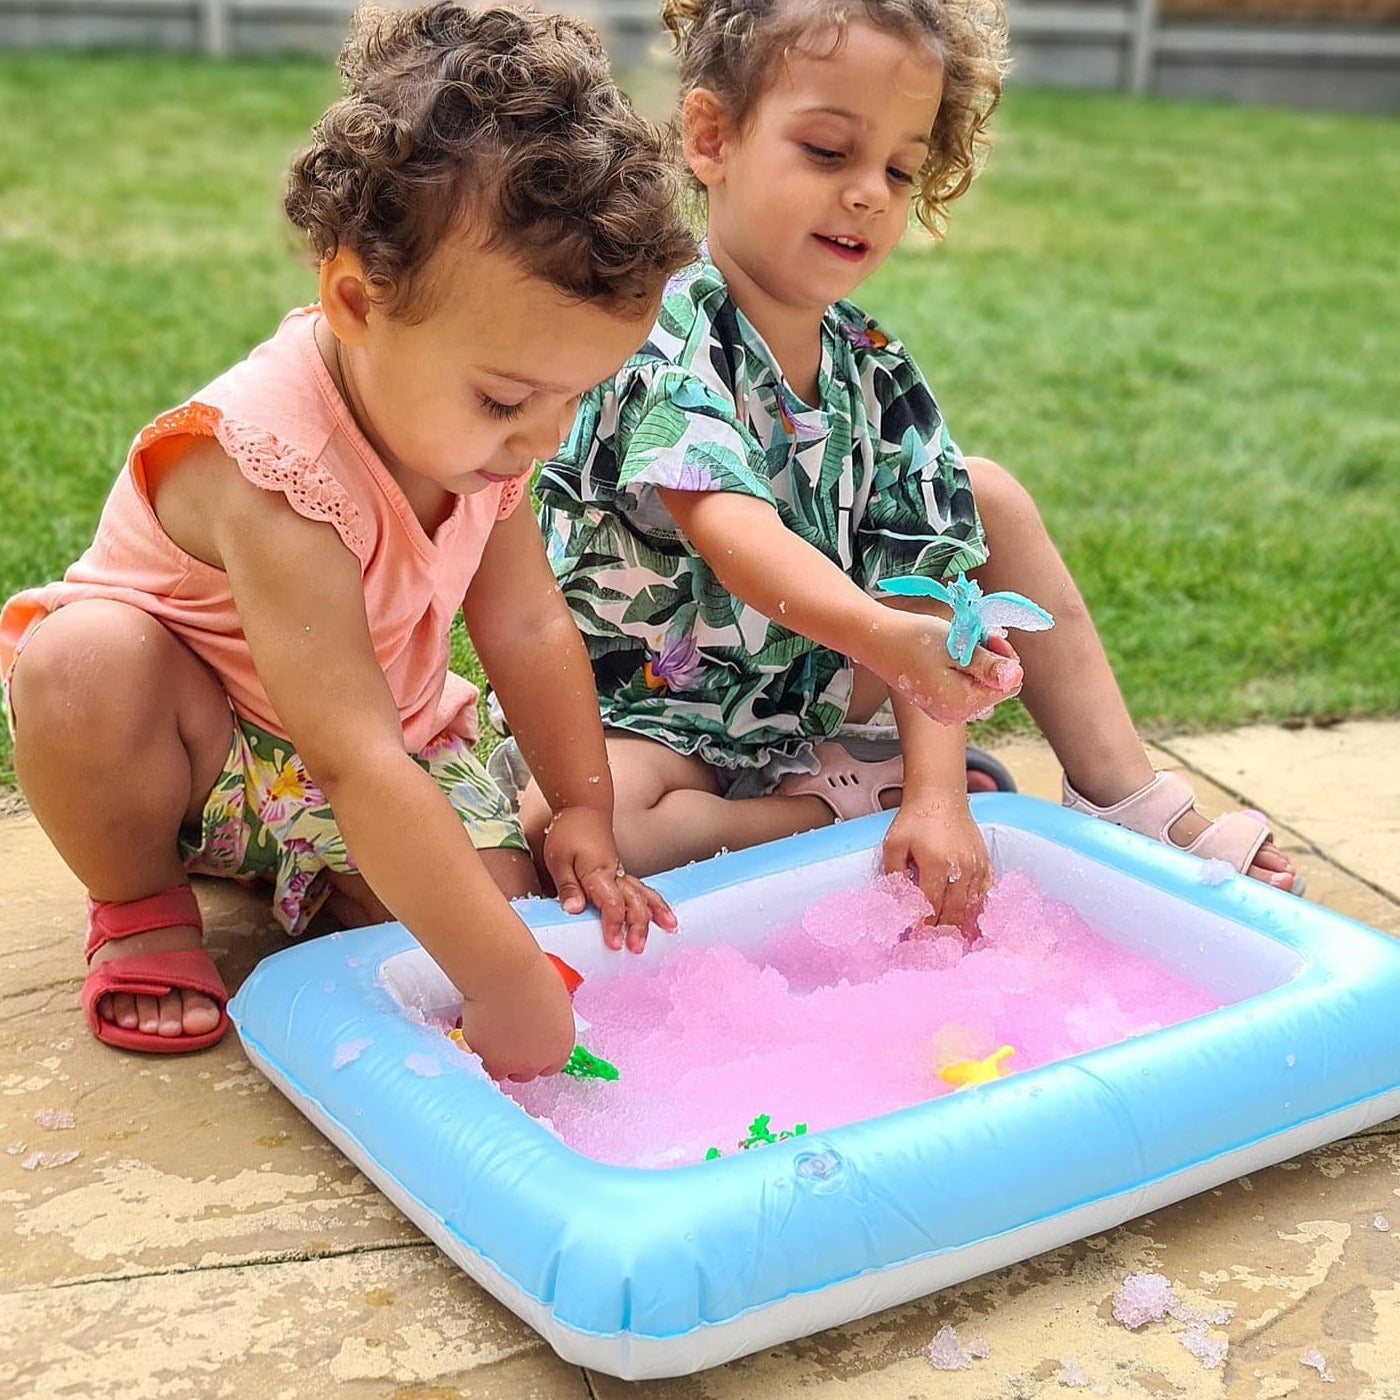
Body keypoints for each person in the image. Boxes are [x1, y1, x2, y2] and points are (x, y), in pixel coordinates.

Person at [0, 2, 699, 1080]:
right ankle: (141, 903)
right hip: (196, 747)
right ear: (356, 298)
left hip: (377, 755)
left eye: (575, 397)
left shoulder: (474, 437)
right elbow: (352, 754)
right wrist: (506, 979)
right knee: (81, 663)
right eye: (510, 396)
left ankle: (313, 879)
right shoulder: (271, 463)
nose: (544, 437)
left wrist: (583, 809)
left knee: (484, 907)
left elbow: (523, 623)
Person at [523, 0, 1299, 927]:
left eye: (899, 169)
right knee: (582, 824)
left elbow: (923, 569)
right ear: (711, 136)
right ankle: (844, 807)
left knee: (986, 496)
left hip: (799, 687)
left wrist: (945, 793)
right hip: (649, 707)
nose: (868, 194)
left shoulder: (873, 363)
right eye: (827, 152)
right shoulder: (664, 330)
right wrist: (888, 650)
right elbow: (733, 533)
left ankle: (1118, 793)